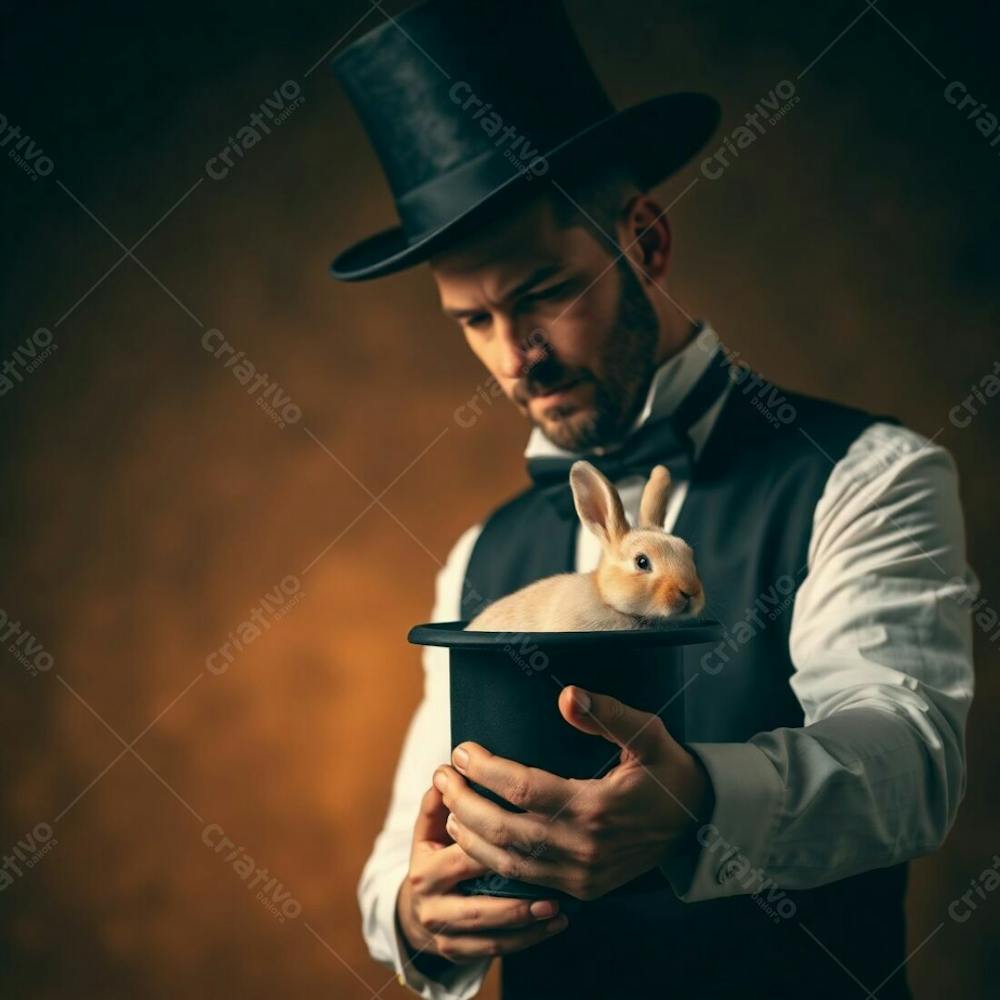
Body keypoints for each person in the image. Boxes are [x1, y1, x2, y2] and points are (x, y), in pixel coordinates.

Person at [329, 2, 977, 997]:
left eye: (543, 292)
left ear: (645, 239)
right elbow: (396, 868)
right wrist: (417, 914)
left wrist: (701, 804)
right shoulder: (476, 557)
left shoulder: (869, 474)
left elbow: (909, 764)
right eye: (474, 321)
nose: (516, 358)